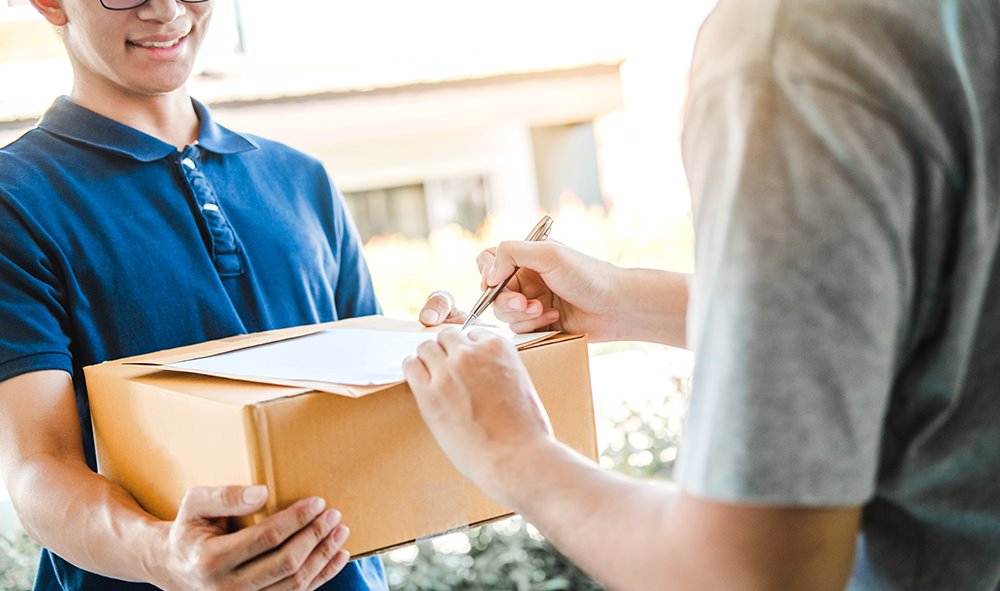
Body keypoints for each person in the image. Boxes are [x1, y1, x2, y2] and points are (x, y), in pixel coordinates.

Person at [410, 0, 1000, 588]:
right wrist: (623, 299)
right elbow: (929, 314)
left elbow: (749, 573)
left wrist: (513, 451)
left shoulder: (792, 51)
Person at [0, 0, 388, 589]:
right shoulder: (17, 200)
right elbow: (39, 467)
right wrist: (164, 555)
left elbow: (377, 405)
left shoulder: (302, 179)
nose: (167, 10)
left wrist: (451, 350)